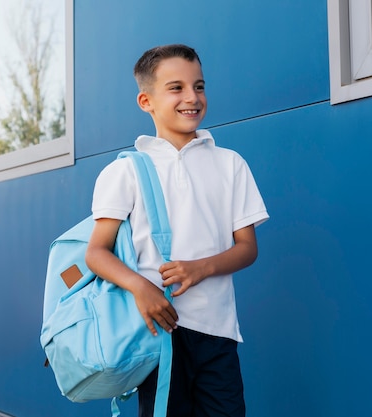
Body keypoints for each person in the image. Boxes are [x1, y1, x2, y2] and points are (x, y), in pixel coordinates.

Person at [85, 44, 269, 417]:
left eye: (199, 86)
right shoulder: (126, 171)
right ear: (145, 100)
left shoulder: (230, 164)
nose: (192, 97)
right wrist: (141, 287)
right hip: (158, 336)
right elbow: (96, 252)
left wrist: (202, 267)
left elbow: (247, 247)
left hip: (219, 333)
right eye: (176, 88)